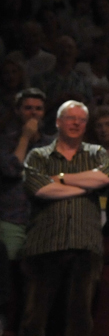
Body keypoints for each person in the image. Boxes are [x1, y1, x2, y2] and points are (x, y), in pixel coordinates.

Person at [1, 100, 109, 336]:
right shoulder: (38, 155)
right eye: (70, 118)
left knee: (80, 318)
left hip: (84, 243)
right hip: (43, 244)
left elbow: (103, 178)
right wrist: (82, 185)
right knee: (33, 319)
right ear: (59, 123)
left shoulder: (96, 153)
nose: (75, 123)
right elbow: (38, 189)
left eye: (80, 119)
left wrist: (60, 179)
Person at [1, 89, 49, 260]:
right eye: (28, 108)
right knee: (9, 270)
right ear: (17, 111)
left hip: (43, 221)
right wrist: (25, 137)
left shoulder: (51, 145)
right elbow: (12, 170)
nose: (34, 112)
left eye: (38, 108)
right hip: (12, 218)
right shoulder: (5, 142)